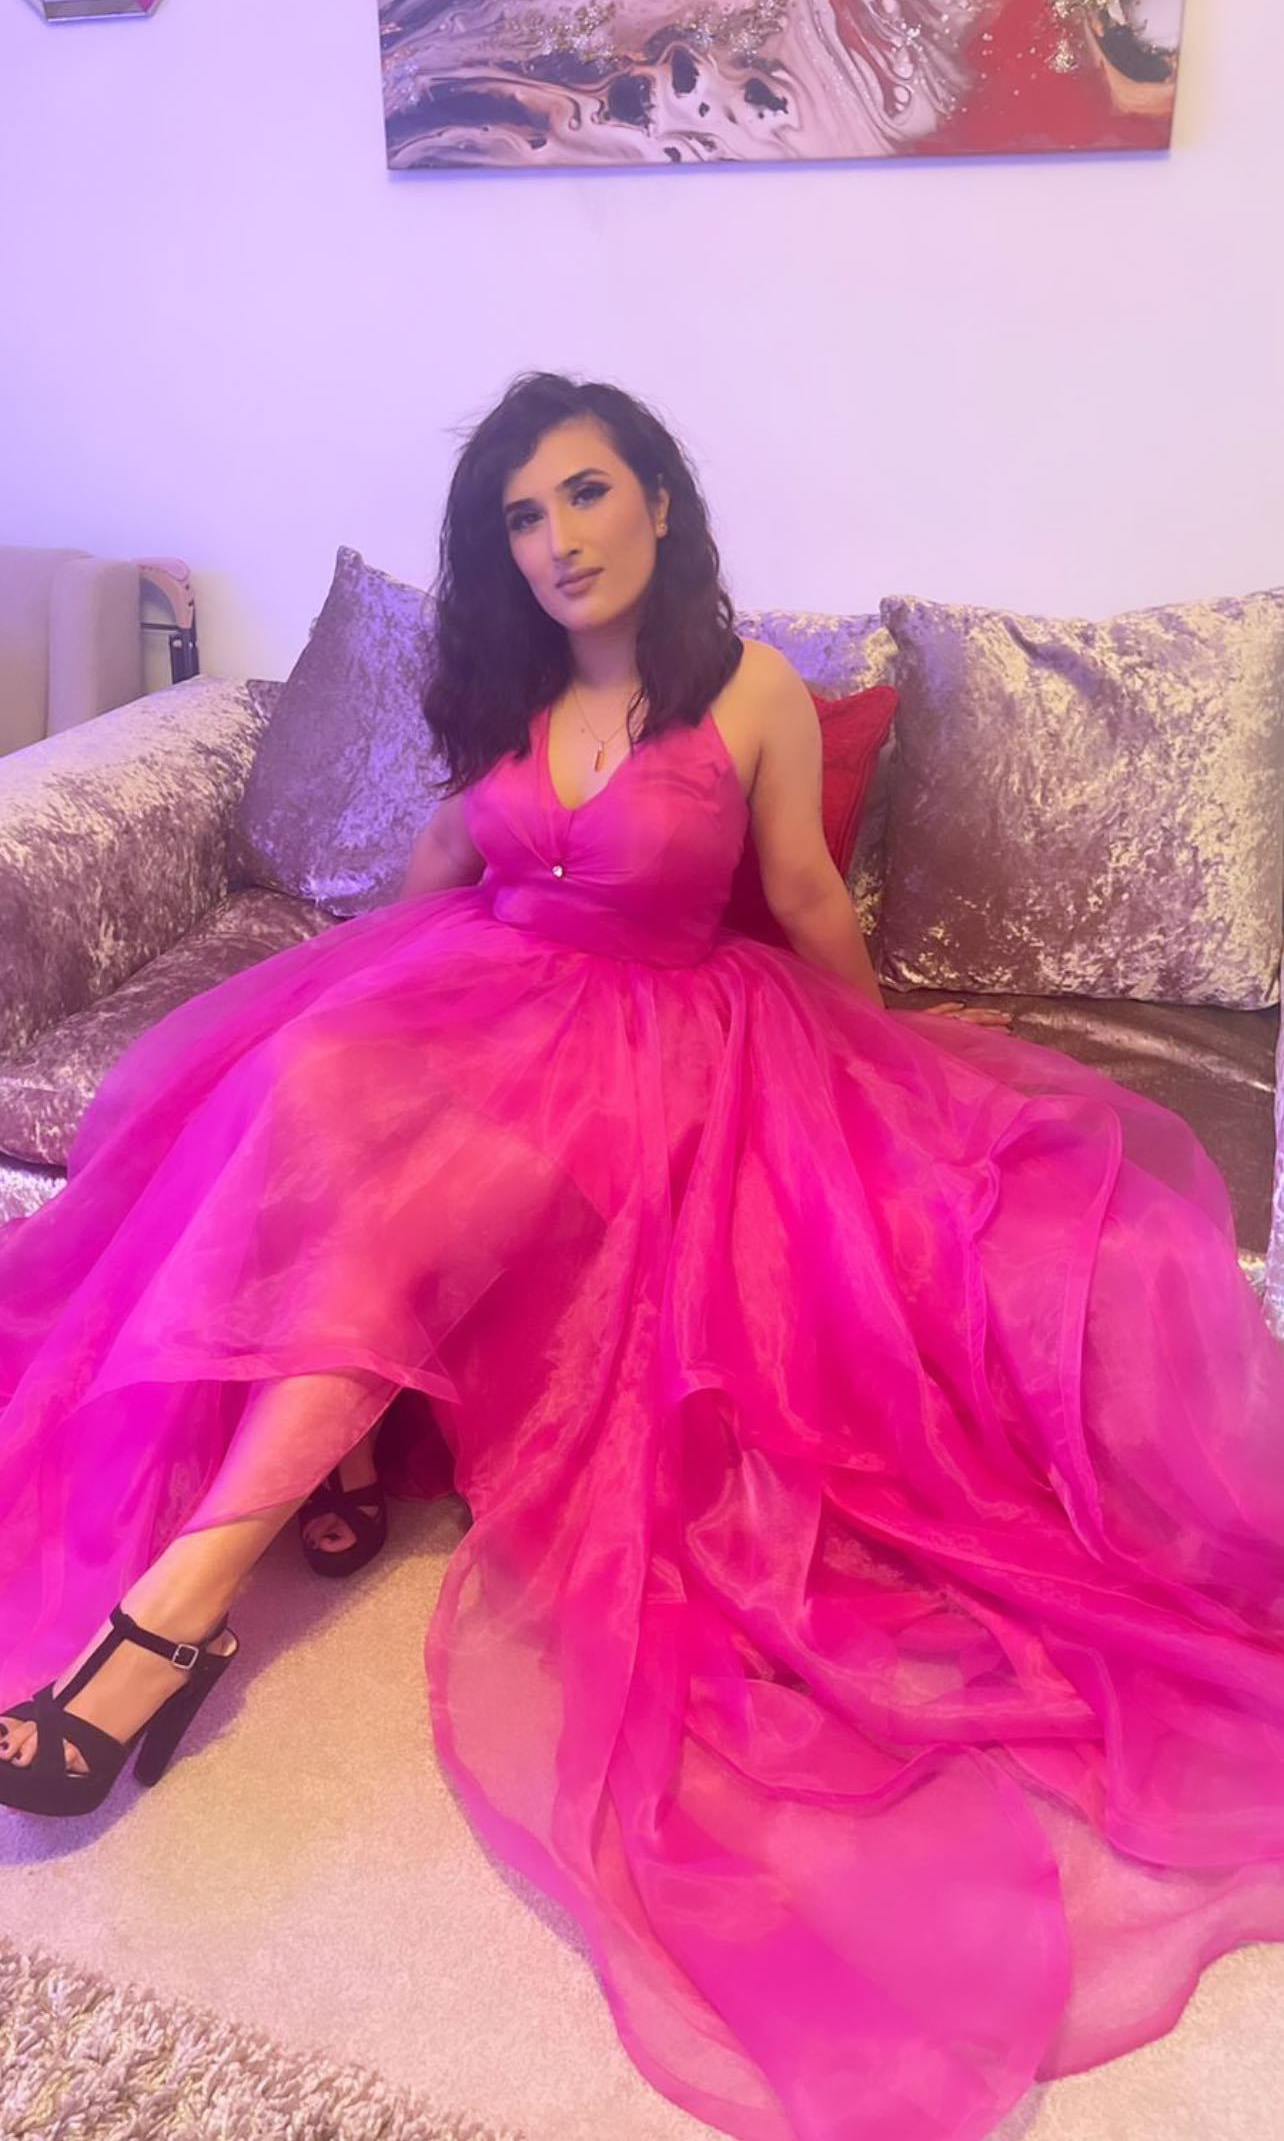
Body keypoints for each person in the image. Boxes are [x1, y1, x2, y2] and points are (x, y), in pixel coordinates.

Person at [1, 372, 1282, 2141]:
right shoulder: (507, 688)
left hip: (671, 1044)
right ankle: (248, 1536)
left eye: (586, 493)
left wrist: (894, 1064)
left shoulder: (747, 689)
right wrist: (342, 994)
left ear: (660, 501)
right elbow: (440, 861)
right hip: (486, 991)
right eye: (522, 517)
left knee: (439, 1180)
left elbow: (805, 896)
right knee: (321, 1092)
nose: (558, 540)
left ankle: (175, 1613)